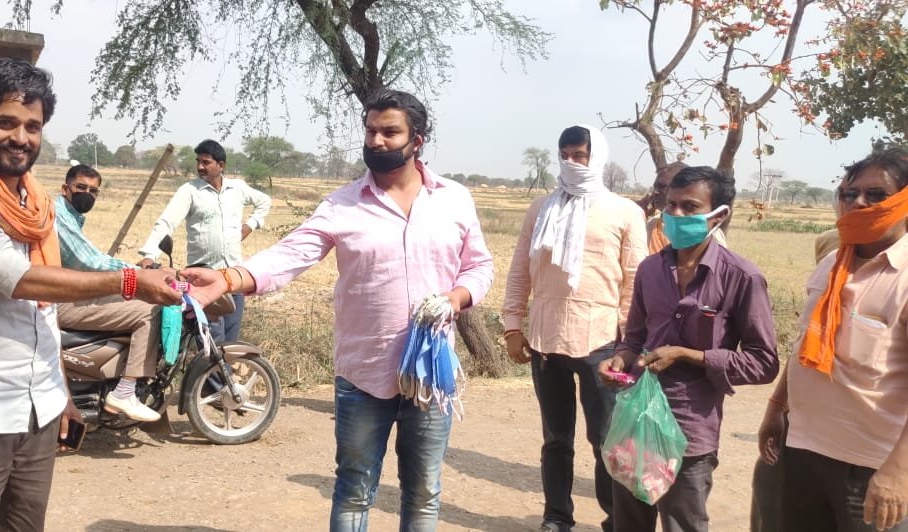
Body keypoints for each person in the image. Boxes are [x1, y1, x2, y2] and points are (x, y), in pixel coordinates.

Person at [181, 90, 494, 531]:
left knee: (424, 491)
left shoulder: (454, 199)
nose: (376, 141)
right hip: (363, 374)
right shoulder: (342, 204)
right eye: (370, 131)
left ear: (417, 140)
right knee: (354, 491)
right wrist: (230, 278)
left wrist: (457, 298)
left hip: (429, 373)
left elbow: (479, 266)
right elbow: (290, 254)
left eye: (389, 132)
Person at [0, 57, 182, 531]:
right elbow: (14, 277)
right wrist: (130, 282)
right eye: (6, 123)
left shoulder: (37, 205)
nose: (21, 137)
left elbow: (44, 313)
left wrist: (62, 396)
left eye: (32, 127)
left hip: (39, 409)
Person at [600, 165, 779, 532]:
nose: (676, 214)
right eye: (671, 205)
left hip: (690, 430)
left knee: (683, 523)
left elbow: (764, 362)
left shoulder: (741, 277)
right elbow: (634, 338)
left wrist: (688, 355)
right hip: (637, 420)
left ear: (719, 216)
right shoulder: (650, 270)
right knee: (628, 522)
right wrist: (619, 359)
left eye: (690, 207)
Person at [501, 125, 648, 532]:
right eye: (564, 155)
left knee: (606, 437)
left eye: (580, 155)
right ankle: (556, 517)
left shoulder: (624, 212)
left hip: (603, 342)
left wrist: (630, 344)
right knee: (555, 438)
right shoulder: (541, 208)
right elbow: (519, 271)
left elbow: (635, 282)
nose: (571, 162)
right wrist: (513, 326)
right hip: (545, 339)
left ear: (596, 156)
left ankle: (616, 520)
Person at [758, 149, 908, 532]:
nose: (858, 202)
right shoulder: (831, 264)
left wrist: (898, 472)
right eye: (849, 193)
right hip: (804, 450)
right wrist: (777, 406)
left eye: (876, 194)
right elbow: (807, 345)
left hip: (872, 465)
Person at [54, 164, 161, 422]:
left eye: (93, 191)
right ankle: (125, 391)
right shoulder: (59, 216)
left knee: (132, 296)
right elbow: (88, 261)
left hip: (66, 293)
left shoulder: (70, 216)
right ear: (66, 188)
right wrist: (140, 274)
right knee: (150, 311)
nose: (87, 194)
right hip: (58, 300)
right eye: (81, 187)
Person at [138, 139, 271, 342]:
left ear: (221, 165)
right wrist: (150, 254)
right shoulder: (190, 191)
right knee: (211, 343)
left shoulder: (237, 188)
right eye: (198, 161)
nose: (200, 167)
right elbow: (166, 222)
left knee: (229, 345)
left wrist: (250, 225)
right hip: (202, 281)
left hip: (233, 279)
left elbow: (264, 201)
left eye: (206, 162)